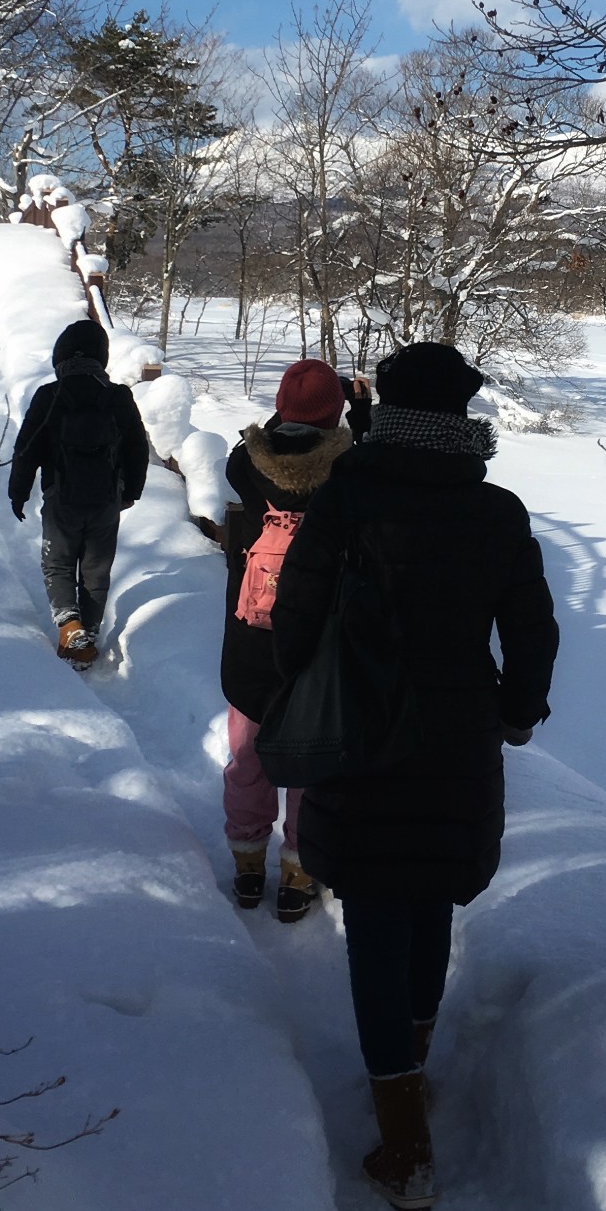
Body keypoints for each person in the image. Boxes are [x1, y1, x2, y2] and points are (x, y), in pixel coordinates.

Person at [271, 340, 558, 1211]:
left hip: (362, 734)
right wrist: (515, 711)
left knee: (377, 911)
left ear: (386, 410)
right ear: (462, 419)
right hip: (458, 735)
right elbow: (534, 632)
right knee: (429, 897)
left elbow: (295, 616)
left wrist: (310, 689)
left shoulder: (348, 498)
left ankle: (404, 1132)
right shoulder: (497, 513)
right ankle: (414, 1076)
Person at [220, 358, 369, 920]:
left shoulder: (245, 465)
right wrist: (358, 411)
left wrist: (284, 415)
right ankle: (299, 871)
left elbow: (249, 449)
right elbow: (367, 453)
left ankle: (247, 862)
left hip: (251, 645)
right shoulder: (350, 469)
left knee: (246, 756)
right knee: (311, 758)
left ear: (281, 408)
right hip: (319, 647)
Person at [9, 318, 150, 667]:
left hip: (61, 500)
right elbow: (137, 448)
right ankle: (88, 633)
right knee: (96, 570)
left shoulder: (49, 395)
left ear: (60, 358)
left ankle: (70, 628)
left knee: (58, 563)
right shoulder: (118, 396)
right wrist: (131, 491)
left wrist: (19, 492)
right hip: (106, 500)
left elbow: (26, 447)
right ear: (101, 358)